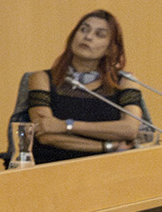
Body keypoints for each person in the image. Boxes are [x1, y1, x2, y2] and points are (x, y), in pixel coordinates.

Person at [24, 9, 144, 164]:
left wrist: (66, 125)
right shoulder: (42, 78)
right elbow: (46, 134)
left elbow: (130, 129)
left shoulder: (124, 82)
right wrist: (106, 146)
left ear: (110, 48)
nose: (88, 37)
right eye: (84, 30)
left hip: (109, 169)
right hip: (52, 166)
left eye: (99, 34)